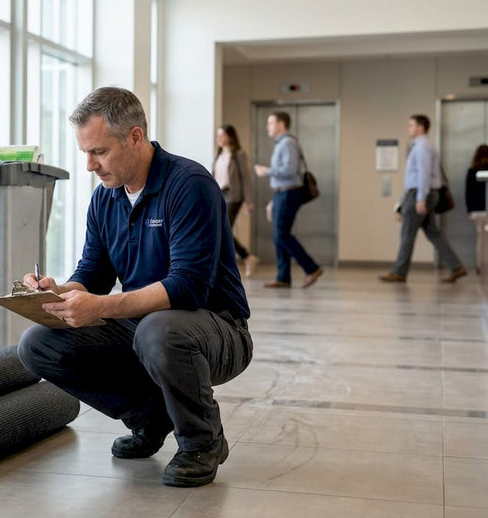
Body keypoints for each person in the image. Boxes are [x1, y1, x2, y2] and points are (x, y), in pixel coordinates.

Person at [16, 87, 253, 488]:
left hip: (216, 329)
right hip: (146, 329)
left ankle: (202, 441)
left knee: (158, 329)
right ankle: (150, 417)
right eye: (85, 153)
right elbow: (92, 274)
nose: (90, 165)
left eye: (99, 152)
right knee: (37, 343)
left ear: (135, 137)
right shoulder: (105, 199)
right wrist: (58, 292)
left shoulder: (189, 185)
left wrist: (101, 307)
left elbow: (188, 288)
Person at [379, 115, 467, 283]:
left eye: (411, 125)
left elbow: (424, 173)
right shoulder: (424, 146)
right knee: (433, 233)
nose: (408, 128)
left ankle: (399, 272)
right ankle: (456, 266)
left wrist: (420, 198)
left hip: (420, 194)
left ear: (420, 128)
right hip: (425, 193)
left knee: (407, 233)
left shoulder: (422, 147)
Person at [253, 111, 323, 288]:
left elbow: (290, 171)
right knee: (278, 236)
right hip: (280, 193)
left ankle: (311, 268)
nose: (267, 126)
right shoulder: (280, 144)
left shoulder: (288, 143)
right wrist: (272, 200)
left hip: (288, 193)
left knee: (282, 235)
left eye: (270, 122)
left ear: (281, 124)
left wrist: (266, 171)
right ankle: (283, 277)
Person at [214, 125, 259, 277]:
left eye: (222, 135)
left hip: (233, 196)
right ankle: (247, 257)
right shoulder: (219, 154)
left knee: (222, 229)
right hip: (219, 194)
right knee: (221, 229)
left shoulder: (238, 154)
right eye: (218, 135)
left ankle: (242, 258)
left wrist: (249, 200)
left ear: (230, 137)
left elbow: (245, 178)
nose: (219, 138)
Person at [464, 144, 488, 214]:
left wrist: (470, 210)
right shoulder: (473, 172)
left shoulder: (472, 172)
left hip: (477, 208)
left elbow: (469, 193)